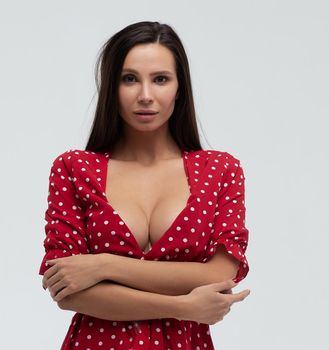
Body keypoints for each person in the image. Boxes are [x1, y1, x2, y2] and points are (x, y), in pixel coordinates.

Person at [38, 21, 251, 350]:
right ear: (112, 87)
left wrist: (104, 265)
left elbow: (220, 275)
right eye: (130, 79)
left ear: (179, 88)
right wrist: (182, 307)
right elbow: (69, 291)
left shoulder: (220, 170)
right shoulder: (74, 169)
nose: (146, 96)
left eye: (160, 79)